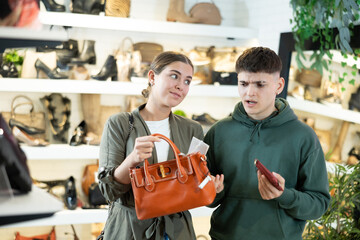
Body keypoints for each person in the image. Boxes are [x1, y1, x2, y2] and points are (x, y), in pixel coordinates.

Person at [203, 47, 330, 240]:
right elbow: (206, 198)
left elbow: (318, 205)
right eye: (243, 83)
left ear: (278, 86)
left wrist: (284, 195)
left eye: (260, 85)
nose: (249, 93)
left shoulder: (304, 137)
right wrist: (213, 191)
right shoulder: (218, 131)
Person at [98, 51, 223, 240]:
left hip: (177, 230)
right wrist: (132, 159)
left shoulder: (192, 129)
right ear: (152, 77)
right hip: (129, 230)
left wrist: (210, 187)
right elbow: (108, 190)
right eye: (174, 76)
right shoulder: (120, 124)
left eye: (187, 81)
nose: (180, 86)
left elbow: (193, 189)